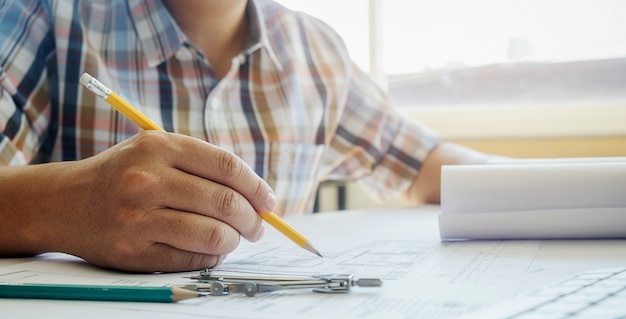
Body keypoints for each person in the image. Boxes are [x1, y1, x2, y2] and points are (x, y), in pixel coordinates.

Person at [0, 0, 488, 273]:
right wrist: (67, 205)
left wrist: (556, 180)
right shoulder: (46, 17)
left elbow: (424, 163)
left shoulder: (315, 50)